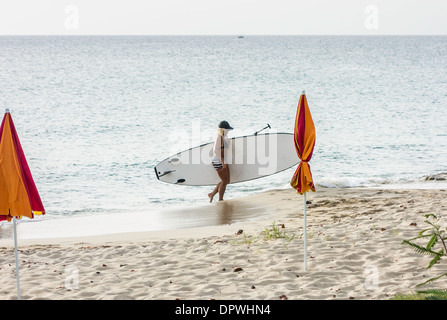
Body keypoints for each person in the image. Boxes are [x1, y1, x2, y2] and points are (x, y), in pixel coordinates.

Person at [208, 121, 233, 202]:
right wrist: (222, 161)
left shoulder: (224, 137)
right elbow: (215, 151)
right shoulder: (218, 137)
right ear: (222, 129)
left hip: (223, 160)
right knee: (225, 181)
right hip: (218, 161)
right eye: (227, 130)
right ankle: (220, 199)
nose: (228, 131)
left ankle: (212, 194)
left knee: (227, 181)